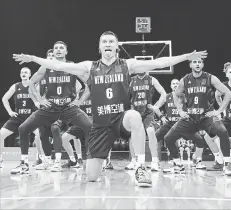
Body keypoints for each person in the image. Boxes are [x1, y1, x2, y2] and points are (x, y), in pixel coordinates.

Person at [12, 31, 207, 186]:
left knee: (133, 115)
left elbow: (158, 62)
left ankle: (141, 166)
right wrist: (33, 58)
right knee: (91, 177)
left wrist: (186, 57)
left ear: (117, 47)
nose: (107, 44)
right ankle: (98, 161)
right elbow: (56, 65)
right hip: (100, 126)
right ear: (99, 47)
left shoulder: (127, 65)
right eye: (104, 41)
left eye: (111, 42)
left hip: (121, 119)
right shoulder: (89, 67)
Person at [10, 41, 92, 174]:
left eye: (61, 48)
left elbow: (89, 84)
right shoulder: (45, 67)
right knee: (23, 128)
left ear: (66, 52)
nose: (58, 50)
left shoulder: (72, 66)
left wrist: (80, 101)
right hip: (50, 107)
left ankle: (90, 162)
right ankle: (24, 164)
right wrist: (40, 99)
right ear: (53, 52)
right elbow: (31, 82)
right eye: (56, 48)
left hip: (68, 107)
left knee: (89, 126)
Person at [163, 58, 231, 176]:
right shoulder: (185, 80)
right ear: (190, 64)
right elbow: (175, 95)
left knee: (222, 131)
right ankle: (178, 164)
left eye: (199, 62)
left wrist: (219, 110)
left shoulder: (210, 78)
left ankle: (227, 164)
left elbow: (228, 93)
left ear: (202, 64)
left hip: (206, 116)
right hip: (190, 116)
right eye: (195, 62)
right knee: (168, 138)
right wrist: (180, 110)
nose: (197, 64)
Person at [154, 79, 206, 169]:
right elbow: (155, 107)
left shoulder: (185, 96)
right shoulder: (166, 97)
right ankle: (157, 160)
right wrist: (161, 117)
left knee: (200, 140)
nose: (175, 85)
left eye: (177, 84)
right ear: (170, 86)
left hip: (184, 125)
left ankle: (196, 159)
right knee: (155, 138)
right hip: (170, 124)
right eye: (173, 84)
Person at [0, 67, 43, 168]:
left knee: (40, 136)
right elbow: (4, 99)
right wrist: (10, 111)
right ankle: (0, 158)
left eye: (26, 72)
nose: (23, 74)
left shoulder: (34, 86)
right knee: (1, 135)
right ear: (20, 75)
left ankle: (40, 157)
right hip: (18, 117)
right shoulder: (15, 86)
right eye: (22, 72)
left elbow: (41, 99)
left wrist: (38, 103)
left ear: (30, 75)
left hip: (31, 117)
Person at [125, 71, 166, 171]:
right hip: (135, 113)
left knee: (151, 132)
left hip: (148, 113)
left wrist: (156, 106)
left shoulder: (152, 79)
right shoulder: (131, 80)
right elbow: (124, 97)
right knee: (132, 136)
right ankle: (134, 161)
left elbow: (163, 93)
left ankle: (155, 161)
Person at [61, 89, 92, 168]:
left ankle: (101, 162)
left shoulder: (96, 93)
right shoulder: (77, 93)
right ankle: (74, 160)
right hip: (79, 121)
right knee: (64, 138)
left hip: (92, 123)